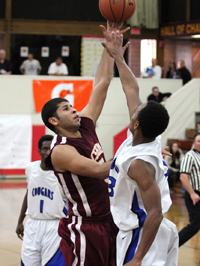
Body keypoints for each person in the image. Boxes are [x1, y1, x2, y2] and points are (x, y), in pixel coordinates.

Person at [41, 22, 129, 266]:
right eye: (67, 109)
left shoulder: (86, 125)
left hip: (108, 219)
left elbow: (101, 84)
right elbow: (101, 170)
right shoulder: (60, 151)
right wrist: (137, 151)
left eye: (72, 106)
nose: (75, 109)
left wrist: (109, 49)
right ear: (54, 121)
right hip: (85, 226)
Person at [102, 29, 179, 266]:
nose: (133, 107)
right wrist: (119, 59)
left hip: (143, 233)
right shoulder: (148, 140)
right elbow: (131, 90)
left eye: (136, 110)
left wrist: (138, 258)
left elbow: (154, 213)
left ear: (136, 124)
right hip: (152, 231)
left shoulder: (139, 163)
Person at [15, 135, 67, 266]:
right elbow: (28, 194)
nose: (48, 152)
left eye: (51, 149)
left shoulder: (62, 173)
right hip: (33, 225)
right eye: (44, 149)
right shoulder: (30, 168)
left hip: (55, 226)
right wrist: (20, 221)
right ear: (39, 151)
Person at [179, 133, 200, 247]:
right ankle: (171, 246)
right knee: (194, 225)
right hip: (195, 195)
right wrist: (192, 193)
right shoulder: (190, 156)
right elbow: (183, 176)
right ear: (193, 143)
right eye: (198, 141)